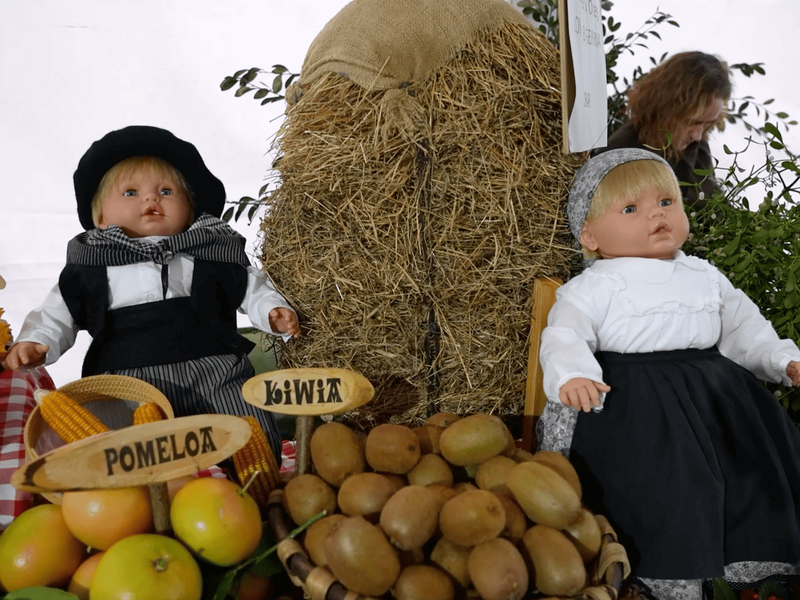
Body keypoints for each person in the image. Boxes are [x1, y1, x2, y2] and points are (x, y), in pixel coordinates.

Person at [537, 148, 800, 600]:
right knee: (663, 488)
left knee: (740, 476)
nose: (655, 217)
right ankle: (665, 576)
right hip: (637, 403)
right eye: (630, 209)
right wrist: (573, 375)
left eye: (666, 202)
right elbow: (564, 334)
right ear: (590, 234)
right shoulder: (595, 285)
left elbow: (742, 327)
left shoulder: (703, 274)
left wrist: (780, 359)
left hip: (716, 401)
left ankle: (734, 560)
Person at [3, 125, 300, 461]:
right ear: (99, 217)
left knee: (248, 436)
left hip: (214, 370)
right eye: (130, 193)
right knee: (123, 452)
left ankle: (247, 486)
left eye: (167, 191)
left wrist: (270, 310)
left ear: (190, 210)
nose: (150, 198)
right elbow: (58, 311)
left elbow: (249, 285)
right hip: (124, 381)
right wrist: (38, 340)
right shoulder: (90, 265)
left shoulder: (209, 251)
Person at [600, 51, 732, 208]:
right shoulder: (620, 157)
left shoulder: (696, 147)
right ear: (667, 109)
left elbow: (718, 211)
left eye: (707, 124)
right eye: (692, 122)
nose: (697, 135)